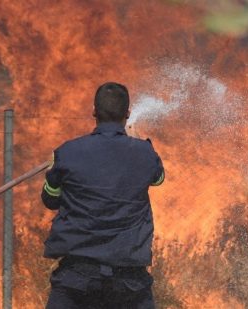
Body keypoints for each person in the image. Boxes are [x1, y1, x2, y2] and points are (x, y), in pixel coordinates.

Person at [41, 82, 165, 308]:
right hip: (129, 284)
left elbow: (50, 199)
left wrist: (54, 170)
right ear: (127, 114)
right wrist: (138, 144)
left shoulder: (67, 153)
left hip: (76, 282)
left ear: (94, 112)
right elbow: (158, 178)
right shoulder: (144, 153)